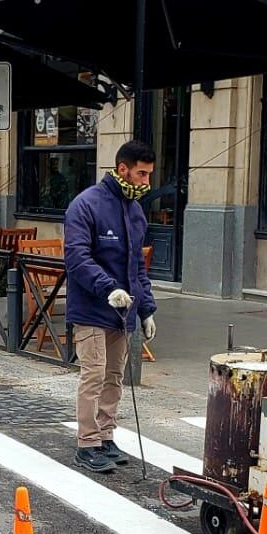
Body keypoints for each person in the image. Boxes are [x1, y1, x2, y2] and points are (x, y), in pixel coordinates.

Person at [63, 139, 159, 474]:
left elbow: (137, 267)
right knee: (94, 375)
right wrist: (108, 288)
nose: (146, 182)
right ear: (123, 169)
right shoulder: (86, 204)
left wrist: (146, 308)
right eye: (142, 174)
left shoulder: (135, 210)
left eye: (149, 175)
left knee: (115, 377)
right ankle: (87, 443)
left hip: (123, 312)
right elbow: (77, 257)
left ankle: (105, 436)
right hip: (91, 308)